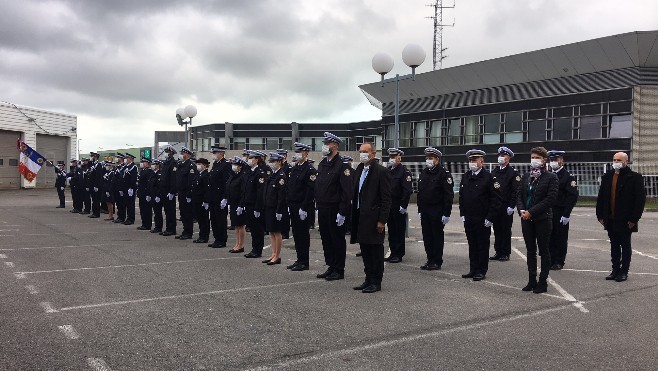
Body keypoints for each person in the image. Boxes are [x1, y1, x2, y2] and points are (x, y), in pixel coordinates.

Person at [596, 152, 646, 282]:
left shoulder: (634, 178)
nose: (616, 162)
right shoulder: (608, 176)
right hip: (610, 218)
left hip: (626, 220)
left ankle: (624, 271)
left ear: (626, 162)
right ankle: (615, 270)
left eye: (619, 160)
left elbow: (639, 201)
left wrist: (633, 220)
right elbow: (601, 197)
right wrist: (600, 215)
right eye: (614, 160)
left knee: (625, 245)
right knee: (614, 245)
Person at [350, 143, 392, 293]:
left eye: (365, 152)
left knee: (375, 252)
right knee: (365, 250)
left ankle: (376, 281)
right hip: (361, 216)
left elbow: (386, 199)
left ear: (373, 154)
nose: (362, 154)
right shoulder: (359, 169)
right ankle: (368, 279)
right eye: (360, 151)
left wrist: (382, 220)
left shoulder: (381, 171)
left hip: (374, 218)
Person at [517, 147, 558, 294]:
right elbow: (520, 196)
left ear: (544, 160)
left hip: (542, 219)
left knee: (544, 251)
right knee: (530, 250)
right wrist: (522, 210)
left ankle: (542, 281)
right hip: (526, 219)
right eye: (532, 157)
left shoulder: (551, 177)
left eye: (537, 157)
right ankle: (531, 279)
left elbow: (550, 199)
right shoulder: (526, 176)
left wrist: (531, 212)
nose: (534, 160)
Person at [315, 132, 353, 281]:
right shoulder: (323, 164)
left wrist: (343, 212)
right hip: (323, 207)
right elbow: (319, 186)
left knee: (337, 239)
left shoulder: (342, 165)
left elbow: (347, 191)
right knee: (326, 239)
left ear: (335, 146)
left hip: (335, 209)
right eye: (324, 143)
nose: (324, 146)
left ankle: (339, 269)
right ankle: (331, 265)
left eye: (327, 143)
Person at [459, 150, 502, 281]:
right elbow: (462, 197)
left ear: (481, 162)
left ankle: (481, 270)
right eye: (470, 160)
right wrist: (462, 213)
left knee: (482, 245)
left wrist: (490, 217)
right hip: (469, 217)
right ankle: (473, 269)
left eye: (474, 160)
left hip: (482, 218)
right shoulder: (466, 176)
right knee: (472, 244)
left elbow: (496, 200)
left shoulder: (489, 178)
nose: (472, 163)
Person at [417, 147, 454, 271]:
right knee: (427, 236)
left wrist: (446, 213)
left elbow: (448, 195)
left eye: (431, 158)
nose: (428, 160)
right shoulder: (424, 172)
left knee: (436, 236)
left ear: (437, 159)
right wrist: (420, 210)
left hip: (437, 210)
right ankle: (430, 259)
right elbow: (420, 193)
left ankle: (437, 261)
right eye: (427, 158)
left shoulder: (444, 174)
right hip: (425, 210)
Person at [286, 142, 317, 271]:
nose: (297, 154)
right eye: (296, 152)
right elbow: (290, 188)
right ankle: (299, 259)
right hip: (293, 205)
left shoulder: (310, 170)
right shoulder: (294, 168)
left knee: (303, 235)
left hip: (302, 207)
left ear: (305, 154)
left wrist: (304, 207)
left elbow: (310, 191)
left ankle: (304, 262)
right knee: (296, 234)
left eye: (300, 152)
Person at [547, 150, 579, 270]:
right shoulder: (548, 175)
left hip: (560, 211)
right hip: (548, 210)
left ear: (562, 161)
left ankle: (559, 261)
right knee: (549, 236)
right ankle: (550, 259)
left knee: (560, 237)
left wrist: (566, 214)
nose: (553, 162)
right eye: (552, 160)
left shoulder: (568, 176)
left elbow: (572, 196)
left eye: (556, 160)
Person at [490, 146, 520, 262]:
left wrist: (512, 206)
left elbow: (515, 191)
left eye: (503, 156)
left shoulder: (513, 173)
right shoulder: (495, 171)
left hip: (506, 205)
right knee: (497, 229)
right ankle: (498, 251)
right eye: (500, 155)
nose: (501, 158)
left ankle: (505, 252)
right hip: (496, 205)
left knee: (506, 230)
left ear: (508, 158)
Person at [239, 150, 269, 258]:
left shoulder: (260, 173)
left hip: (255, 205)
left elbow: (260, 192)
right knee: (252, 228)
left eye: (251, 158)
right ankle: (254, 249)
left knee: (258, 229)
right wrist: (242, 204)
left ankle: (258, 250)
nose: (249, 160)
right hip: (248, 204)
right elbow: (245, 190)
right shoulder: (249, 172)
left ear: (256, 160)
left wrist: (258, 207)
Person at [384, 148, 412, 263]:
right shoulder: (389, 170)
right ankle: (393, 252)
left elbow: (407, 190)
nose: (391, 159)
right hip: (389, 204)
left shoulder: (404, 172)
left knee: (399, 230)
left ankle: (399, 254)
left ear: (399, 158)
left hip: (398, 205)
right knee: (391, 230)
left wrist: (403, 205)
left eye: (394, 157)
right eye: (390, 157)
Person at [262, 152, 288, 265]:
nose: (271, 163)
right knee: (271, 232)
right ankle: (273, 253)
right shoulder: (272, 175)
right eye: (271, 161)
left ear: (278, 162)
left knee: (277, 232)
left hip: (276, 208)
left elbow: (281, 196)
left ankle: (277, 256)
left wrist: (279, 210)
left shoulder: (281, 176)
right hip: (269, 207)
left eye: (273, 161)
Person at [207, 146, 231, 248]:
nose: (214, 154)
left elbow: (227, 182)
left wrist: (225, 197)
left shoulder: (226, 165)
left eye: (215, 152)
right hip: (213, 197)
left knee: (220, 219)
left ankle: (222, 240)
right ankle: (217, 239)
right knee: (214, 219)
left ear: (221, 153)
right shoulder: (216, 164)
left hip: (220, 197)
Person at [226, 156, 248, 253]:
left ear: (240, 166)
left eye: (236, 165)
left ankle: (241, 245)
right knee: (236, 225)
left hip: (240, 203)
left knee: (241, 225)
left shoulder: (243, 176)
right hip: (233, 203)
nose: (234, 166)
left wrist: (241, 205)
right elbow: (229, 187)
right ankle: (237, 243)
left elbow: (243, 192)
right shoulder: (233, 175)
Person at [175, 147, 196, 240]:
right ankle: (185, 231)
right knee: (183, 213)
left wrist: (189, 194)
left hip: (186, 193)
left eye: (183, 153)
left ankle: (188, 232)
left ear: (187, 154)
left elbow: (190, 181)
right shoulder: (181, 164)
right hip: (181, 192)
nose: (181, 155)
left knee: (188, 213)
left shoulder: (190, 165)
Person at [160, 146, 178, 236]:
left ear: (171, 153)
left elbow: (173, 179)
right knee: (167, 210)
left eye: (167, 152)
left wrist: (172, 192)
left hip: (169, 190)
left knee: (171, 211)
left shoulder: (173, 163)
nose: (165, 153)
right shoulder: (166, 163)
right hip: (164, 190)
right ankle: (168, 228)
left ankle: (172, 229)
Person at [193, 158, 211, 244]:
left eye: (199, 164)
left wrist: (206, 201)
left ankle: (204, 236)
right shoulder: (199, 174)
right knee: (200, 219)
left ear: (204, 165)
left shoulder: (206, 175)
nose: (198, 166)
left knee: (204, 219)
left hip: (202, 201)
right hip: (197, 200)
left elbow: (207, 190)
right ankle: (201, 235)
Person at [136, 158, 154, 230]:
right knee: (142, 209)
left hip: (146, 193)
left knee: (147, 210)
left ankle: (147, 225)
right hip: (141, 192)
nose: (142, 163)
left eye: (144, 162)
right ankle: (144, 223)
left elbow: (149, 183)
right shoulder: (143, 171)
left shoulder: (149, 172)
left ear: (148, 163)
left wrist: (148, 194)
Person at [122, 153, 138, 225]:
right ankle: (127, 218)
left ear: (130, 159)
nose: (125, 159)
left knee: (130, 204)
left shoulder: (133, 167)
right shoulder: (125, 167)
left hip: (130, 188)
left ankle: (131, 219)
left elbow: (134, 178)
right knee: (126, 204)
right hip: (125, 188)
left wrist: (131, 188)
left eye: (127, 158)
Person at [148, 159, 163, 233]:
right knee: (155, 212)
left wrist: (158, 195)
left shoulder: (159, 174)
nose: (152, 165)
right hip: (153, 194)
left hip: (157, 195)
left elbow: (159, 186)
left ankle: (159, 227)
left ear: (157, 165)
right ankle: (157, 226)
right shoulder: (153, 173)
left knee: (158, 212)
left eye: (154, 164)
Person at [88, 152, 104, 219]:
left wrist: (97, 186)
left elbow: (98, 176)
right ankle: (94, 212)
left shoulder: (98, 165)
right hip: (92, 184)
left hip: (96, 185)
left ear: (95, 157)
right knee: (93, 200)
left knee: (96, 200)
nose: (91, 158)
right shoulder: (93, 165)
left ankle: (96, 213)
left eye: (92, 156)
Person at [113, 153, 127, 223]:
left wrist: (121, 188)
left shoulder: (124, 167)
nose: (116, 159)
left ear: (121, 158)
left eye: (117, 157)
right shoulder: (117, 167)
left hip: (121, 187)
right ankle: (119, 216)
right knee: (118, 203)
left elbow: (121, 178)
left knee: (122, 203)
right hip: (116, 187)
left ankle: (122, 217)